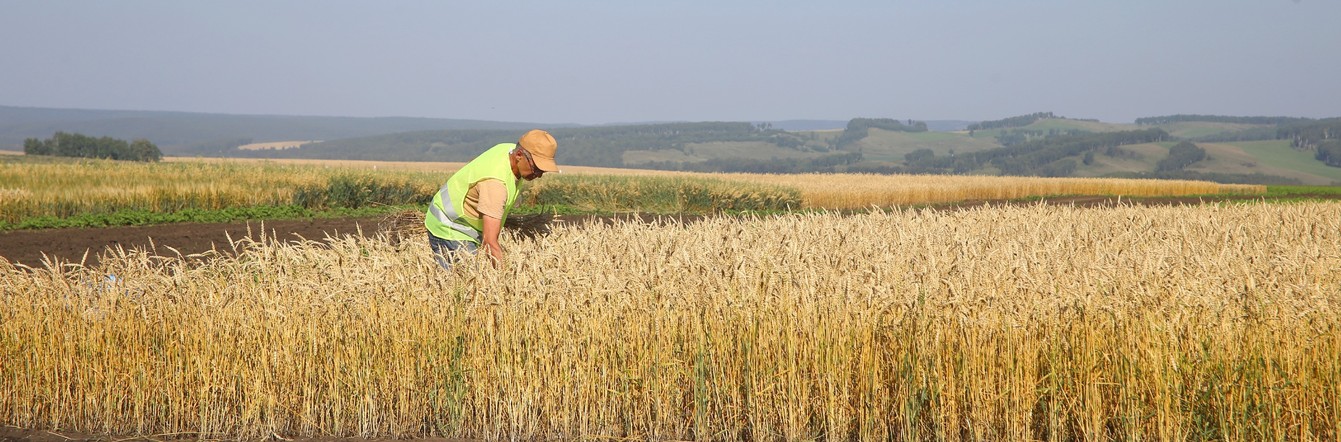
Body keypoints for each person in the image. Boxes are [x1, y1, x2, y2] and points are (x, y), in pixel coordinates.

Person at [425, 129, 558, 269]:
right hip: (449, 227)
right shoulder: (495, 185)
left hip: (462, 223)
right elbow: (489, 242)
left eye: (543, 170)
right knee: (469, 280)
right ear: (519, 155)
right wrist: (503, 279)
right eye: (536, 168)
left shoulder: (507, 149)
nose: (539, 175)